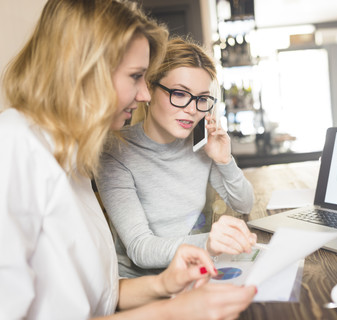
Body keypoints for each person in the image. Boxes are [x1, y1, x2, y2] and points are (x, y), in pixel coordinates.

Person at [0, 0, 256, 319]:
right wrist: (175, 310)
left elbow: (101, 296)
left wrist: (165, 284)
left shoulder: (73, 158)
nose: (144, 94)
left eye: (202, 99)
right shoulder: (14, 146)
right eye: (136, 76)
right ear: (84, 70)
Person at [95, 37, 257, 278]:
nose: (192, 109)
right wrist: (209, 243)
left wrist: (224, 160)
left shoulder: (199, 143)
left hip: (192, 272)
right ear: (149, 89)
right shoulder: (115, 150)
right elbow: (140, 248)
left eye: (202, 99)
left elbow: (244, 204)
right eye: (180, 94)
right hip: (142, 285)